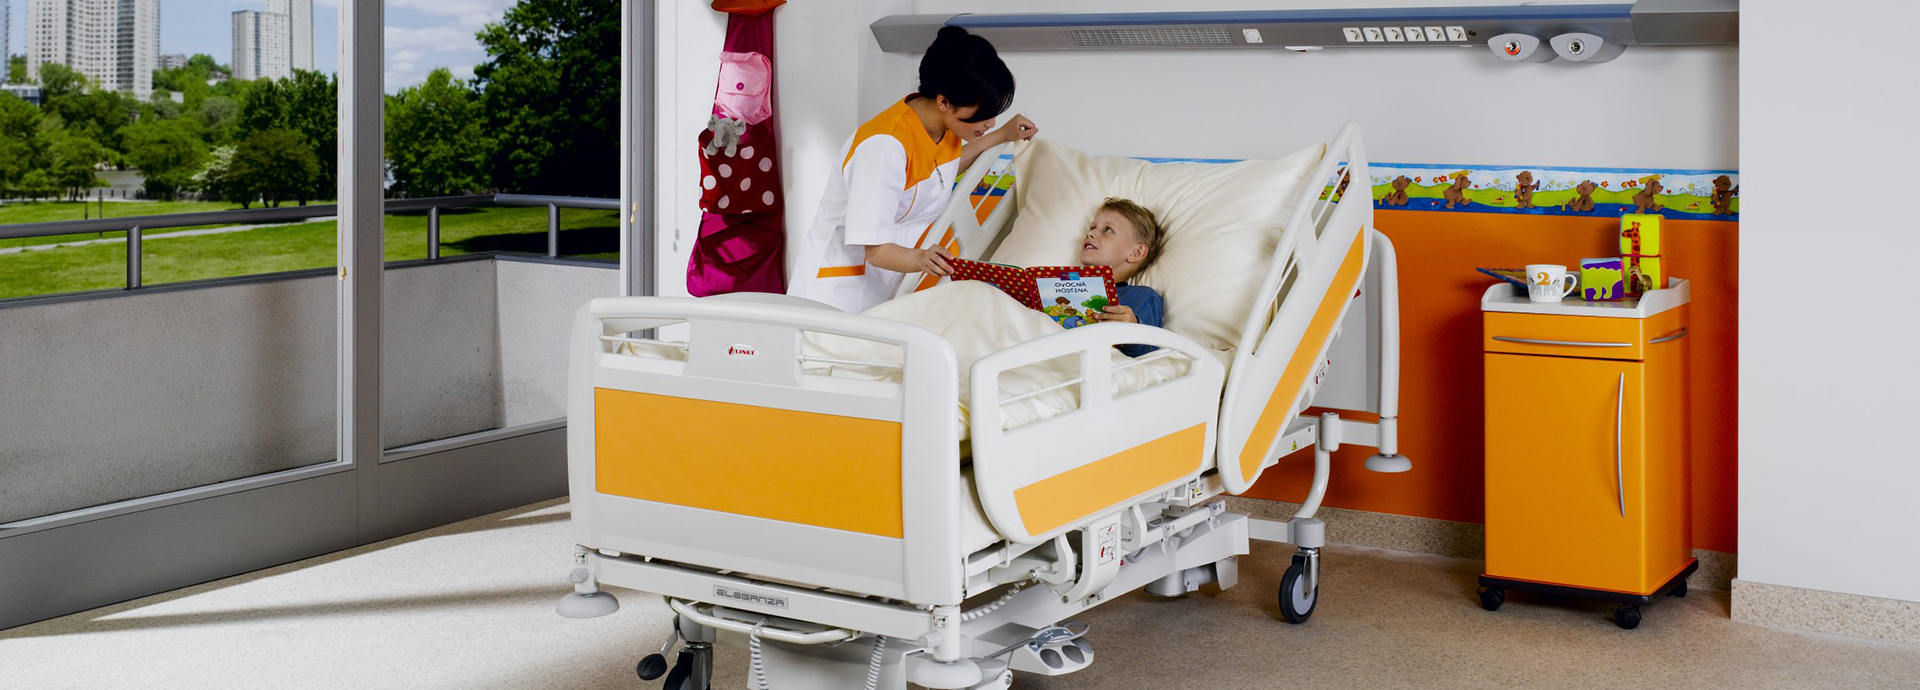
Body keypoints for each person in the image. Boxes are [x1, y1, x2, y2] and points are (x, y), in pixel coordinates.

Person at [787, 26, 1038, 313]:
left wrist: (1002, 135)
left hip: (881, 289)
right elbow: (876, 250)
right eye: (983, 115)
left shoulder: (942, 127)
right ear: (944, 102)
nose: (990, 123)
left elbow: (941, 170)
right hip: (836, 294)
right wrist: (922, 258)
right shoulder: (884, 147)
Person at [1077, 197, 1167, 357]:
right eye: (1092, 227)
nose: (1090, 233)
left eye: (1107, 230)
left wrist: (1132, 328)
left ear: (1136, 253)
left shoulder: (1142, 296)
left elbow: (1148, 354)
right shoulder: (1058, 284)